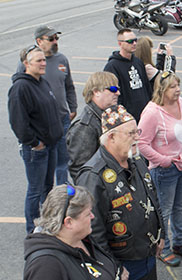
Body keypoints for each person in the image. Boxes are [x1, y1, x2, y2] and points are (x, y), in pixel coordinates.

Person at [76, 105, 165, 280]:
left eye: (137, 131)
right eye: (131, 133)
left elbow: (153, 197)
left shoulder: (136, 159)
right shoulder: (93, 176)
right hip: (123, 263)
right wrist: (112, 266)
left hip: (147, 254)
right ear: (111, 137)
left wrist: (161, 234)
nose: (137, 138)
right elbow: (92, 232)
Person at [137, 71, 182, 267]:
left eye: (178, 85)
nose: (178, 89)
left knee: (179, 208)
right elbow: (141, 143)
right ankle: (165, 248)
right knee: (163, 211)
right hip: (165, 170)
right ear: (161, 89)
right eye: (172, 86)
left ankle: (180, 243)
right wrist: (162, 160)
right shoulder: (152, 112)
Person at [8, 46, 63, 233]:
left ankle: (47, 224)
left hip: (51, 145)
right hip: (37, 150)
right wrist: (35, 143)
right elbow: (18, 123)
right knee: (35, 190)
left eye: (43, 60)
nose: (43, 63)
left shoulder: (42, 82)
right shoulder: (20, 88)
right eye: (38, 61)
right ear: (26, 63)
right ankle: (33, 229)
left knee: (48, 188)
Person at [23, 184, 126, 280]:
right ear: (69, 222)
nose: (92, 216)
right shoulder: (45, 266)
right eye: (87, 214)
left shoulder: (82, 239)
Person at [17, 25, 77, 185]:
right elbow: (20, 96)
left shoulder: (62, 59)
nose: (55, 41)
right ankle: (50, 200)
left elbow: (69, 85)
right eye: (51, 39)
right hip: (42, 125)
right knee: (44, 174)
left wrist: (73, 108)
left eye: (56, 38)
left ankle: (63, 197)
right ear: (39, 41)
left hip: (62, 120)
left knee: (63, 163)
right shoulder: (28, 64)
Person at [66, 71, 120, 182]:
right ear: (96, 92)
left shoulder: (107, 116)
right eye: (113, 89)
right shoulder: (85, 127)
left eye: (118, 89)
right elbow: (79, 170)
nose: (118, 93)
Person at [104, 29, 153, 123]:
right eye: (130, 41)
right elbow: (113, 95)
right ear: (120, 43)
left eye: (135, 40)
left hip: (145, 117)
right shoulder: (112, 66)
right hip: (128, 119)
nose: (134, 43)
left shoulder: (138, 62)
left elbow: (147, 88)